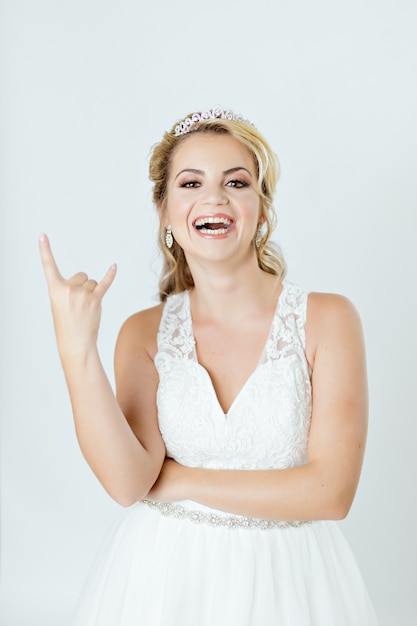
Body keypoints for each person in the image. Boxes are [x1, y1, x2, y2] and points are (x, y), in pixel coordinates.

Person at [39, 105, 379, 625]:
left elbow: (331, 493)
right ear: (165, 211)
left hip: (289, 585)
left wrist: (177, 481)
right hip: (162, 581)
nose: (214, 197)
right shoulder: (142, 332)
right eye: (191, 183)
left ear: (261, 208)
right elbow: (129, 483)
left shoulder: (328, 320)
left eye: (236, 182)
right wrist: (75, 348)